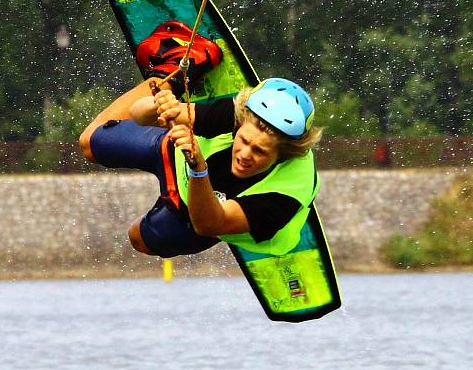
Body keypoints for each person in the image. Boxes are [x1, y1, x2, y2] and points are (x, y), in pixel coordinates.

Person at [78, 77, 323, 259]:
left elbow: (208, 224)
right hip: (176, 154)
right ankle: (170, 74)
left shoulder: (285, 195)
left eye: (259, 151)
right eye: (244, 141)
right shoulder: (235, 114)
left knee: (138, 240)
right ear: (239, 125)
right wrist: (156, 104)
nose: (245, 155)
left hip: (203, 210)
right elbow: (141, 115)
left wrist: (198, 168)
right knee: (89, 143)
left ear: (282, 155)